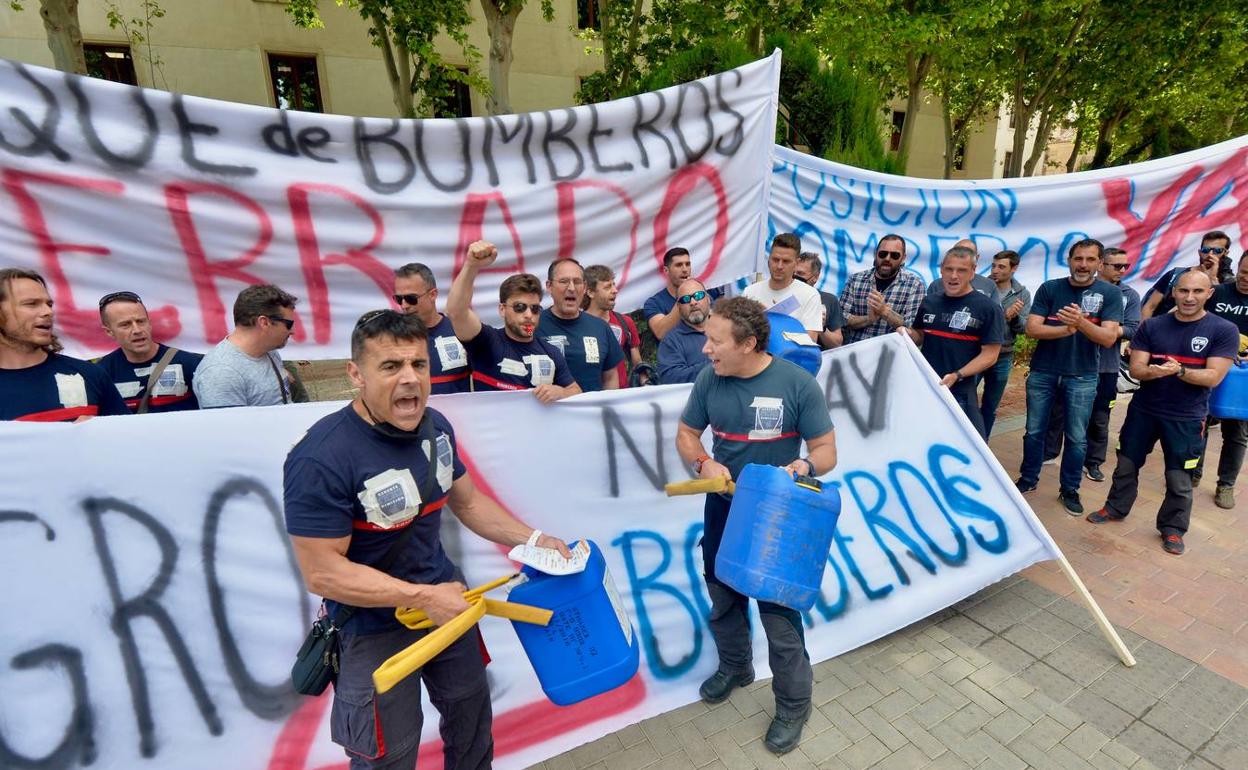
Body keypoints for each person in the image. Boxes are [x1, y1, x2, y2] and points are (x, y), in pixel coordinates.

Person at [284, 309, 572, 770]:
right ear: (355, 374)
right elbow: (323, 571)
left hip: (446, 604)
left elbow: (470, 504)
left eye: (418, 364)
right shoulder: (320, 458)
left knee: (471, 725)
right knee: (390, 757)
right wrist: (421, 596)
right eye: (390, 366)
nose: (410, 379)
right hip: (371, 628)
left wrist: (535, 538)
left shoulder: (437, 426)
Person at [675, 297, 837, 756]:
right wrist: (703, 460)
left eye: (715, 341)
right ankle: (735, 667)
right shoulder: (710, 379)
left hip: (778, 517)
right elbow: (687, 433)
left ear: (748, 344)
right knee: (723, 595)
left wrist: (803, 465)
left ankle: (792, 705)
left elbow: (827, 450)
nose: (705, 350)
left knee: (779, 617)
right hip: (724, 508)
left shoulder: (797, 384)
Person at [1086, 271, 1238, 556]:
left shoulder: (1223, 330)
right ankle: (1116, 507)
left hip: (1187, 417)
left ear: (1209, 294)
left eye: (1196, 291)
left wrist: (1179, 371)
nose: (1189, 297)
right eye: (1183, 291)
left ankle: (1173, 529)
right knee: (1126, 465)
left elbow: (1213, 377)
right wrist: (1152, 372)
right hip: (1144, 411)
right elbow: (1136, 369)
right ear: (1174, 293)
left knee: (1179, 478)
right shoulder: (1153, 326)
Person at [1015, 239, 1123, 515]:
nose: (1083, 265)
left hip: (1083, 375)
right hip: (1044, 371)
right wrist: (1066, 329)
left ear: (1100, 263)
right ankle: (1027, 479)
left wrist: (1080, 323)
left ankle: (1070, 489)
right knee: (1034, 431)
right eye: (1078, 258)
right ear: (1069, 260)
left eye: (1089, 259)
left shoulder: (1109, 294)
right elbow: (1032, 329)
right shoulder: (1051, 288)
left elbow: (1110, 338)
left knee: (1076, 437)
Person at [1044, 248, 1142, 479]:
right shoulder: (1077, 286)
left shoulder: (1130, 295)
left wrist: (1104, 328)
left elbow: (1133, 328)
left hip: (1105, 367)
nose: (1121, 270)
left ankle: (1093, 461)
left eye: (1125, 266)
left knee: (1099, 417)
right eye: (1116, 266)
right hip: (1070, 362)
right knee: (1057, 412)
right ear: (1101, 265)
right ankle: (1048, 452)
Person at [446, 240, 579, 401]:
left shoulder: (551, 352)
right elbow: (456, 311)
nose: (529, 315)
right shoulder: (487, 341)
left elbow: (575, 390)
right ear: (502, 309)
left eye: (535, 308)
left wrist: (561, 392)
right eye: (520, 307)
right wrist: (471, 266)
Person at [900, 246, 1004, 438]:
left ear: (973, 272)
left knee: (969, 447)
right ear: (941, 270)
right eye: (949, 269)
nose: (954, 276)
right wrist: (907, 333)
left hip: (960, 391)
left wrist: (957, 375)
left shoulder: (988, 308)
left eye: (961, 270)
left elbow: (990, 355)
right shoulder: (929, 301)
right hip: (925, 388)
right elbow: (920, 336)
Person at [0, 268, 128, 421]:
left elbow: (130, 439)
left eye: (49, 304)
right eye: (32, 304)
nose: (48, 312)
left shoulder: (90, 374)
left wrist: (99, 434)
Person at [95, 290, 203, 413]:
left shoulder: (190, 364)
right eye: (125, 325)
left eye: (141, 321)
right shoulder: (101, 374)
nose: (137, 330)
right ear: (109, 331)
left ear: (149, 322)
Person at [194, 284, 298, 408]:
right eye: (289, 324)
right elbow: (228, 426)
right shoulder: (221, 373)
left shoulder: (268, 350)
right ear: (264, 323)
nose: (292, 331)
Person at [1201, 251, 1248, 509]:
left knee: (1237, 432)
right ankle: (1192, 472)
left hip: (1241, 379)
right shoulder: (1218, 293)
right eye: (1243, 272)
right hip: (1209, 368)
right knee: (1199, 423)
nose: (1246, 279)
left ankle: (1226, 484)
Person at [536, 259, 624, 392]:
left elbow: (610, 378)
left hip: (591, 412)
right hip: (544, 410)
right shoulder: (533, 325)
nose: (571, 288)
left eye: (577, 282)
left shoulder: (601, 327)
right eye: (564, 281)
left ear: (584, 287)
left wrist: (608, 409)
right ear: (549, 286)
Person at [393, 262, 471, 395]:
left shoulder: (460, 332)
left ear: (433, 294)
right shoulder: (392, 338)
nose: (404, 305)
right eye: (399, 299)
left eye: (411, 298)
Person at [840, 234, 926, 345]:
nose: (887, 259)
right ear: (875, 254)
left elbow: (913, 328)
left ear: (903, 258)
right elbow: (841, 319)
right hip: (855, 350)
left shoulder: (914, 285)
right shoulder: (856, 280)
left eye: (894, 255)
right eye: (883, 254)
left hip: (890, 355)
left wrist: (885, 312)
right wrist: (868, 319)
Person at [981, 250, 1031, 436]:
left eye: (1001, 267)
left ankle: (982, 442)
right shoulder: (981, 287)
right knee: (966, 401)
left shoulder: (1022, 294)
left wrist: (1014, 318)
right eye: (994, 265)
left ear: (1014, 269)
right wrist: (1004, 315)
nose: (995, 270)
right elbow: (977, 321)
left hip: (1003, 355)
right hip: (978, 352)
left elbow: (1024, 328)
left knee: (990, 405)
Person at [742, 233, 822, 342]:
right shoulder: (750, 291)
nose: (779, 266)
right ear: (768, 259)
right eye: (775, 259)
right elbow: (739, 335)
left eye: (786, 261)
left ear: (796, 263)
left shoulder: (810, 295)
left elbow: (809, 342)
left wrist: (769, 319)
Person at [1140, 230, 1233, 320]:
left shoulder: (1229, 282)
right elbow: (1149, 306)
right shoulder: (1176, 274)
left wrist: (1212, 279)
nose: (1210, 254)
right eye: (1206, 250)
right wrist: (1143, 333)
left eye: (1217, 250)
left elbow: (1223, 313)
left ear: (1226, 253)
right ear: (1200, 252)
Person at [642, 247, 722, 340]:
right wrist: (684, 295)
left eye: (687, 264)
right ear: (666, 270)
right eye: (679, 265)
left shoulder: (703, 293)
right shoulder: (654, 303)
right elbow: (660, 333)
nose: (685, 269)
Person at [583, 264, 642, 388]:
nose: (615, 290)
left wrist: (646, 384)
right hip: (587, 398)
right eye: (607, 287)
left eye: (614, 284)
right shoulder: (577, 325)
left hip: (621, 397)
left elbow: (638, 364)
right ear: (590, 292)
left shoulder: (625, 322)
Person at [657, 278, 712, 384]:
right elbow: (671, 378)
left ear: (708, 299)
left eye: (698, 296)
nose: (693, 302)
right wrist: (715, 364)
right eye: (686, 299)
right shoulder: (671, 342)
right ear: (678, 307)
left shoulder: (727, 329)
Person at [924, 238, 1002, 304]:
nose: (961, 256)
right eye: (957, 252)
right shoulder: (936, 285)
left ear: (977, 258)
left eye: (968, 253)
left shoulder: (989, 285)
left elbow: (996, 316)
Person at [794, 252, 844, 349]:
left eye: (800, 273)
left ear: (815, 277)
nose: (795, 277)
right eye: (793, 273)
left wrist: (821, 327)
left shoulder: (829, 300)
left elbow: (837, 344)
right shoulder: (782, 294)